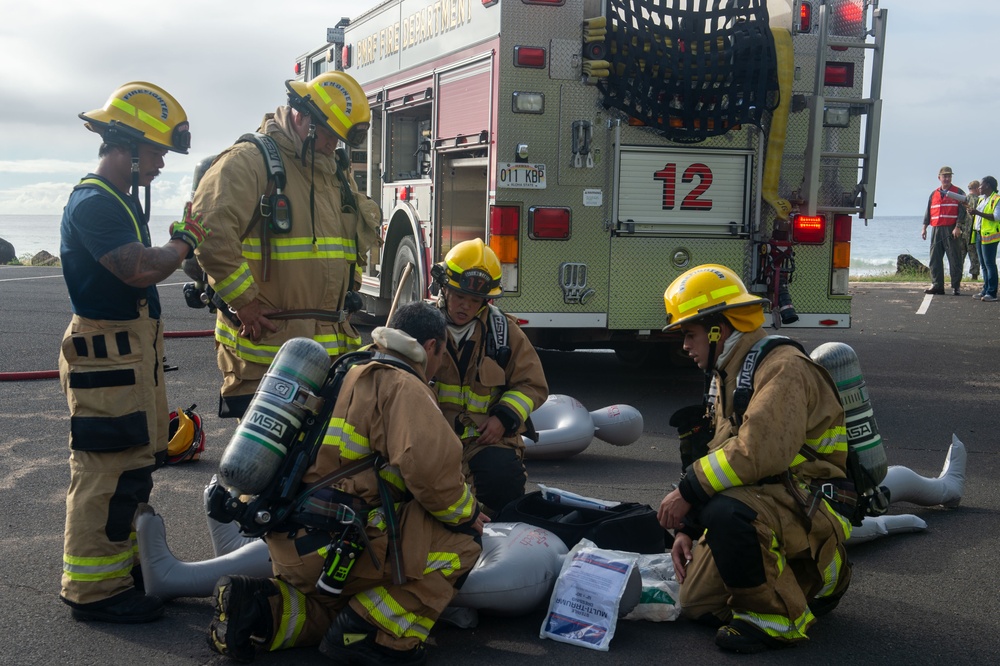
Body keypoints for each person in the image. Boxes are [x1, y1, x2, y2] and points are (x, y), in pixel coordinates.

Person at [208, 301, 486, 664]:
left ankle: (259, 611)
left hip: (293, 545)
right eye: (442, 352)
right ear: (432, 346)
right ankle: (375, 637)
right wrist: (468, 515)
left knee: (333, 610)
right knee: (463, 544)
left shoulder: (349, 365)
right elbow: (431, 475)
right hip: (338, 547)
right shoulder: (403, 385)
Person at [57, 82, 210, 622]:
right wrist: (183, 242)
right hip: (105, 361)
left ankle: (119, 572)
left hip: (123, 359)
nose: (162, 163)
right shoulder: (95, 202)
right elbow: (140, 268)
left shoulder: (117, 201)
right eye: (157, 151)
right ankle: (93, 592)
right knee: (105, 470)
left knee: (131, 469)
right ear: (127, 145)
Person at [656, 264, 852, 654]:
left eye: (689, 335)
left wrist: (688, 493)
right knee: (696, 603)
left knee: (727, 514)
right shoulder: (729, 372)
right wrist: (688, 528)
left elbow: (756, 453)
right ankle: (787, 582)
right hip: (774, 498)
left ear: (718, 330)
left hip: (811, 502)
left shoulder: (782, 368)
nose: (685, 346)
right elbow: (722, 453)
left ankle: (780, 617)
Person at [191, 71, 382, 419]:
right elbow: (208, 228)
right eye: (329, 134)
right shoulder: (250, 161)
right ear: (304, 118)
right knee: (258, 468)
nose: (333, 145)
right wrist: (244, 302)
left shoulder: (331, 172)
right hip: (267, 352)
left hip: (326, 355)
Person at [431, 239, 549, 515]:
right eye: (459, 296)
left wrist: (504, 417)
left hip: (484, 441)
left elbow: (533, 384)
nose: (464, 306)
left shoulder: (503, 332)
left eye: (474, 301)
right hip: (432, 438)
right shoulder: (422, 326)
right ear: (444, 288)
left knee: (503, 481)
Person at [921, 166, 967, 295]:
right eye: (944, 176)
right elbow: (928, 211)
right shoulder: (934, 194)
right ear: (939, 177)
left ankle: (956, 286)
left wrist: (958, 227)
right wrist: (924, 227)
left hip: (951, 229)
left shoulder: (958, 192)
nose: (946, 178)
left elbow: (962, 211)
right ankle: (937, 286)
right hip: (936, 229)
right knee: (934, 258)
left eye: (949, 176)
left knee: (954, 258)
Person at [965, 176, 1000, 302]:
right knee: (984, 265)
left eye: (981, 185)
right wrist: (972, 212)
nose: (979, 187)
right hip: (979, 234)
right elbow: (977, 215)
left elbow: (996, 217)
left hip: (990, 236)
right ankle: (985, 290)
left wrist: (977, 213)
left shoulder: (996, 199)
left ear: (988, 185)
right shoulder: (982, 200)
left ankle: (992, 292)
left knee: (990, 264)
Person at [962, 180, 982, 281]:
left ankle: (957, 275)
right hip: (972, 232)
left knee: (960, 255)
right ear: (976, 188)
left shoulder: (963, 199)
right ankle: (974, 276)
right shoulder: (978, 200)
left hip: (961, 231)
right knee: (974, 255)